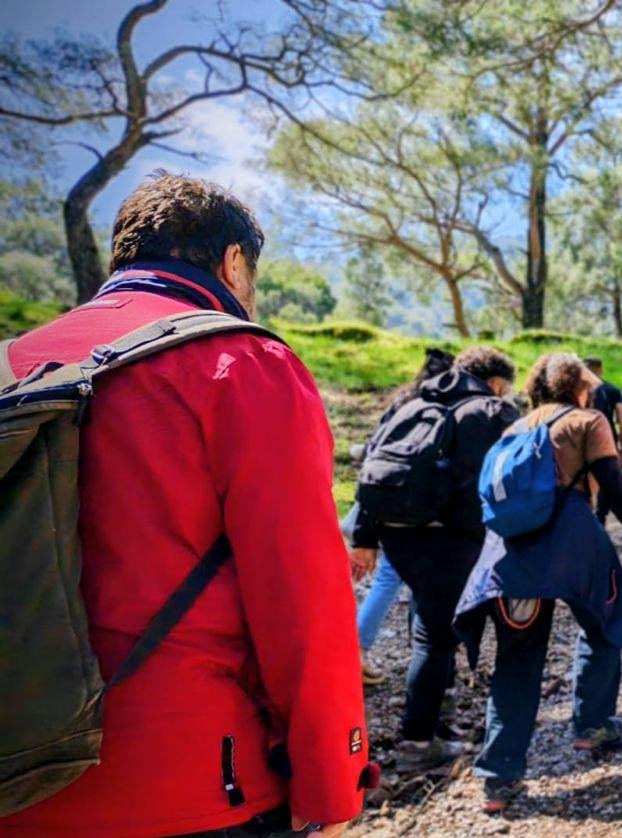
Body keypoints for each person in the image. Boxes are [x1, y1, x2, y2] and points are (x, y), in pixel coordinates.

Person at [0, 173, 369, 838]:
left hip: (19, 775)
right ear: (234, 263)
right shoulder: (243, 363)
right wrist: (331, 781)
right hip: (187, 782)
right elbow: (304, 599)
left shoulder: (15, 363)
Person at [454, 353, 622, 814]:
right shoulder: (588, 421)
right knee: (603, 624)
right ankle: (592, 724)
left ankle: (498, 777)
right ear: (580, 388)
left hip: (510, 553)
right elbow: (617, 490)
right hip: (573, 545)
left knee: (517, 659)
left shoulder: (515, 426)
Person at [350, 347, 521, 772]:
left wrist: (365, 538)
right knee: (435, 637)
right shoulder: (490, 411)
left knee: (430, 621)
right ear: (495, 382)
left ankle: (441, 714)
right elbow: (495, 480)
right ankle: (417, 743)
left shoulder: (411, 402)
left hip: (397, 533)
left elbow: (370, 468)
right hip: (449, 537)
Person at [348, 347, 456, 686]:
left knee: (389, 578)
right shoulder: (444, 409)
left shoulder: (402, 403)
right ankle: (359, 651)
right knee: (397, 578)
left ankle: (357, 651)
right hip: (415, 509)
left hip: (382, 498)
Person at [584, 357, 622, 523]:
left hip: (583, 439)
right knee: (606, 477)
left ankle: (586, 512)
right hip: (606, 440)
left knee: (585, 476)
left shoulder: (578, 390)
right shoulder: (612, 389)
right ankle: (600, 515)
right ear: (601, 370)